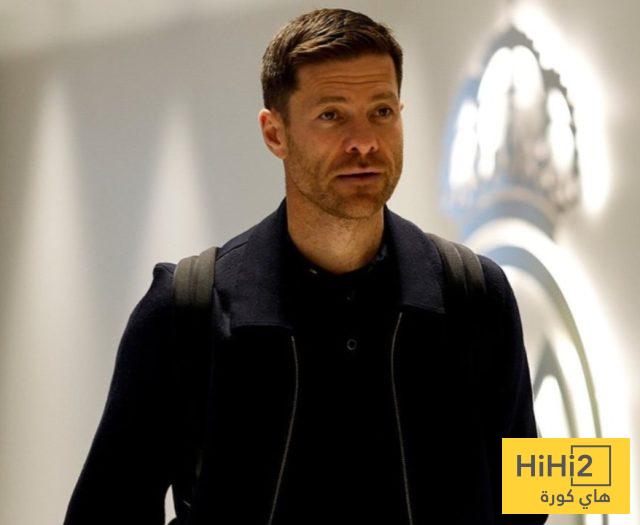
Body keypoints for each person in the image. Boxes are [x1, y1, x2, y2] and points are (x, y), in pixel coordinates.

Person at [63, 8, 547, 525]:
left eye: (382, 111)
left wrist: (601, 475)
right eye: (332, 115)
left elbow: (532, 500)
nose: (364, 141)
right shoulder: (186, 309)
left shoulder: (475, 294)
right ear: (275, 133)